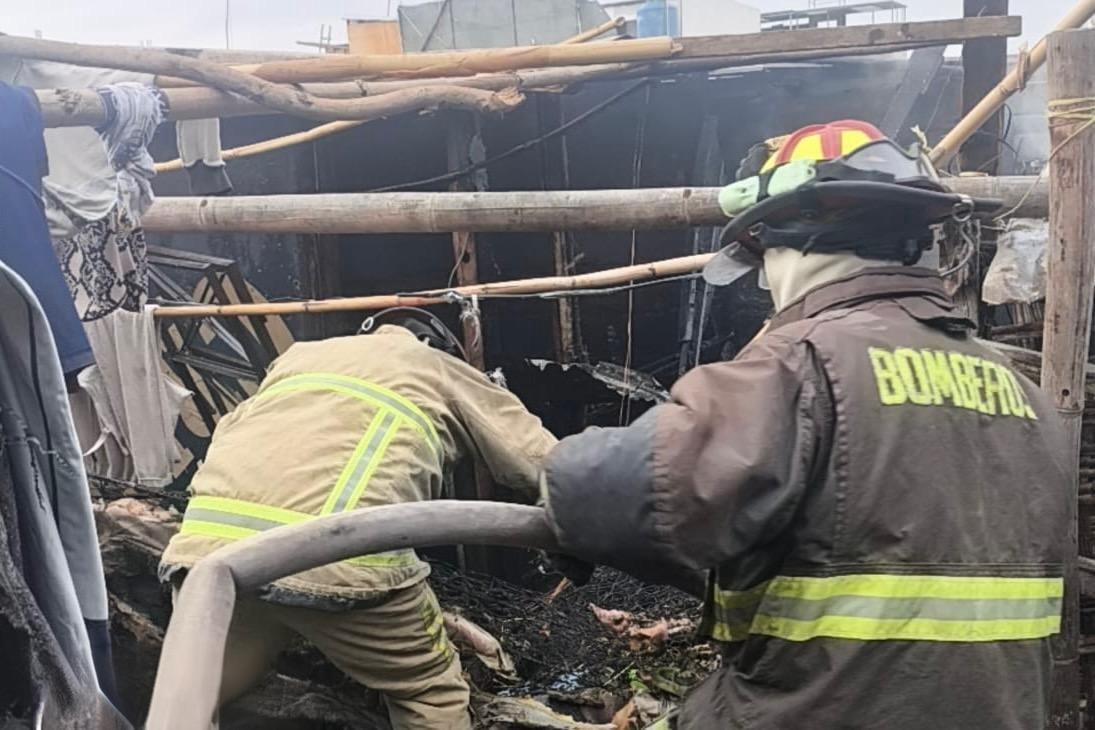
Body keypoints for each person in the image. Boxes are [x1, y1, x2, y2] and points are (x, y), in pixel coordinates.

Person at [540, 120, 1070, 729]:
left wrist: (552, 483)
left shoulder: (802, 368)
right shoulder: (1025, 394)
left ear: (794, 243)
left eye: (763, 257)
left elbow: (614, 487)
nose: (765, 282)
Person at [160, 307, 557, 729]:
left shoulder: (298, 356)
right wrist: (578, 528)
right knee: (429, 692)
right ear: (436, 346)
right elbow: (540, 460)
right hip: (339, 559)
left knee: (196, 700)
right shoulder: (440, 368)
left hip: (211, 556)